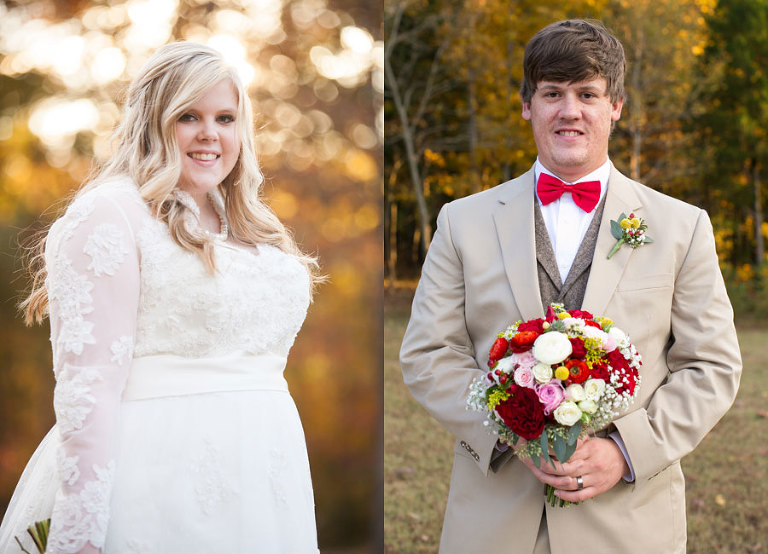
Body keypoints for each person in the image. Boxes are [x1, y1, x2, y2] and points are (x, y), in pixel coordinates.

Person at [399, 19, 741, 554]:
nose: (570, 111)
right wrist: (510, 432)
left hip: (628, 522)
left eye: (588, 94)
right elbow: (427, 352)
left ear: (616, 106)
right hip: (494, 518)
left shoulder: (681, 225)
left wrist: (627, 452)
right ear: (526, 105)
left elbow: (712, 366)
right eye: (552, 94)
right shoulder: (461, 221)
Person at [0, 42, 322, 553]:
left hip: (267, 481)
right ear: (152, 121)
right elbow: (89, 390)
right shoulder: (112, 215)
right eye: (188, 116)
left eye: (225, 117)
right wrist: (79, 535)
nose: (209, 134)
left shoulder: (251, 226)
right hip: (158, 481)